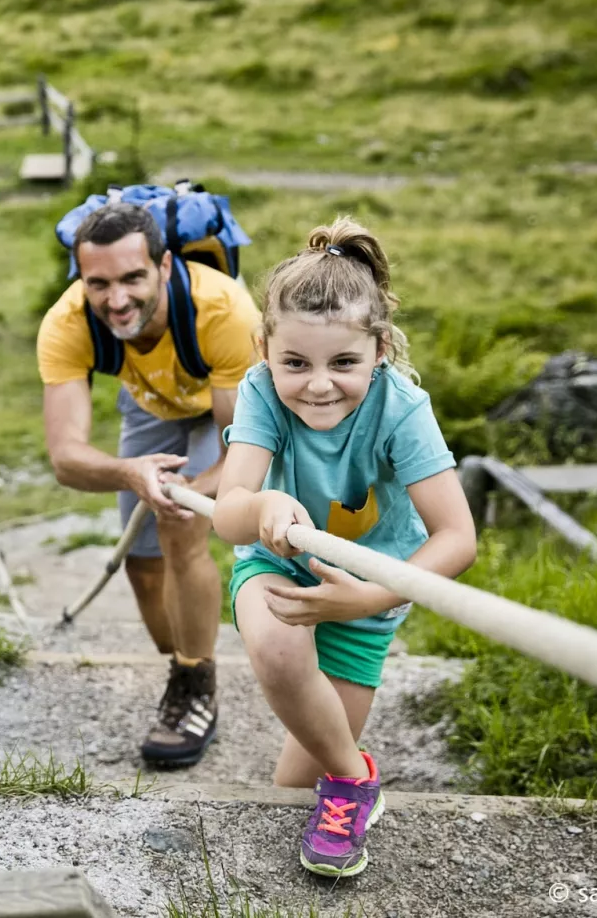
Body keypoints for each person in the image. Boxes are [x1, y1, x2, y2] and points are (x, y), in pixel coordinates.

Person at [210, 217, 476, 877]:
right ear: (265, 347)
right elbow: (228, 515)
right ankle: (359, 782)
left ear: (379, 350)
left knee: (297, 782)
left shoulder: (402, 410)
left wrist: (367, 599)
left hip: (371, 593)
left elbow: (458, 538)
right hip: (280, 564)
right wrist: (264, 504)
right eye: (295, 361)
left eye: (344, 363)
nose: (319, 384)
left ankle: (341, 785)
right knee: (275, 647)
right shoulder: (261, 391)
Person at [37, 203, 261, 767]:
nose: (116, 300)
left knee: (180, 522)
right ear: (81, 279)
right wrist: (130, 473)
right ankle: (182, 658)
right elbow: (65, 457)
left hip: (222, 410)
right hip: (150, 406)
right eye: (100, 283)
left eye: (133, 278)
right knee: (142, 564)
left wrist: (189, 491)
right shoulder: (67, 323)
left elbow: (242, 454)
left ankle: (195, 686)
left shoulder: (223, 310)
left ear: (163, 265)